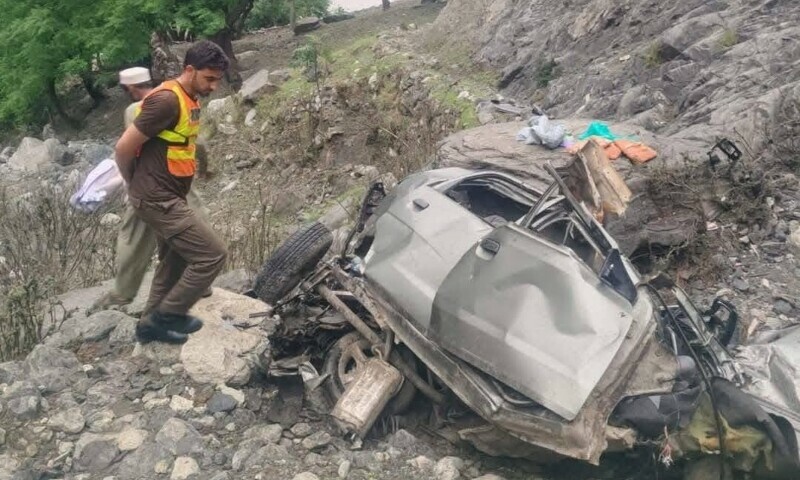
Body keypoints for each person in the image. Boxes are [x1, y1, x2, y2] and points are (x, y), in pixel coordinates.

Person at [114, 41, 229, 344]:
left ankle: (149, 325)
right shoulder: (166, 100)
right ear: (189, 70)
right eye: (209, 79)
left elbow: (184, 144)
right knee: (212, 255)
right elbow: (124, 148)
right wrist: (134, 183)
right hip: (156, 198)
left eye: (217, 79)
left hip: (169, 195)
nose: (214, 87)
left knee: (176, 257)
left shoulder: (190, 97)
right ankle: (167, 316)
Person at [91, 67, 211, 314]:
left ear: (131, 88)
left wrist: (129, 182)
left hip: (150, 184)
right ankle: (200, 283)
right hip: (180, 179)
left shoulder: (134, 110)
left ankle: (122, 293)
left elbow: (129, 148)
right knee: (193, 223)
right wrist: (206, 167)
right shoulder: (181, 98)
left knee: (133, 236)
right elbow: (197, 141)